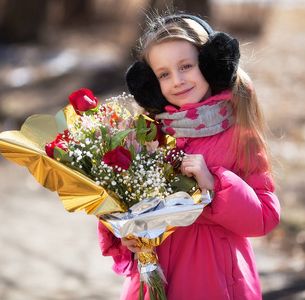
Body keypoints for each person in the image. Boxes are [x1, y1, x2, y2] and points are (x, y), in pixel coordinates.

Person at [97, 13, 281, 300]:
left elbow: (264, 217)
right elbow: (124, 206)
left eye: (186, 66)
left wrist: (215, 185)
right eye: (164, 74)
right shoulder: (147, 135)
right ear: (150, 83)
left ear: (211, 64)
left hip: (214, 277)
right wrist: (126, 235)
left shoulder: (238, 132)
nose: (178, 81)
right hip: (155, 274)